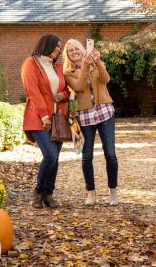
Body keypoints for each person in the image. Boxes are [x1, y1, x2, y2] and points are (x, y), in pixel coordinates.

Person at [63, 39, 119, 206]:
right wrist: (85, 65)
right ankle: (91, 192)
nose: (74, 52)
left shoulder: (95, 63)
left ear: (82, 49)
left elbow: (106, 79)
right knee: (87, 155)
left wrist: (98, 61)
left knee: (110, 153)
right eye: (70, 51)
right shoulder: (68, 72)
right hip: (85, 115)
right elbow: (79, 87)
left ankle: (113, 191)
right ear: (68, 55)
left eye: (76, 49)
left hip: (104, 112)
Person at [21, 34, 70, 209]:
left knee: (55, 158)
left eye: (59, 47)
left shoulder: (57, 68)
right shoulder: (31, 63)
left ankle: (48, 194)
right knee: (50, 155)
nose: (58, 50)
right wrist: (43, 116)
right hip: (38, 119)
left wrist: (63, 95)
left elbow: (67, 91)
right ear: (46, 45)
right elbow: (32, 91)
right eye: (56, 46)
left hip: (58, 120)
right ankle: (38, 192)